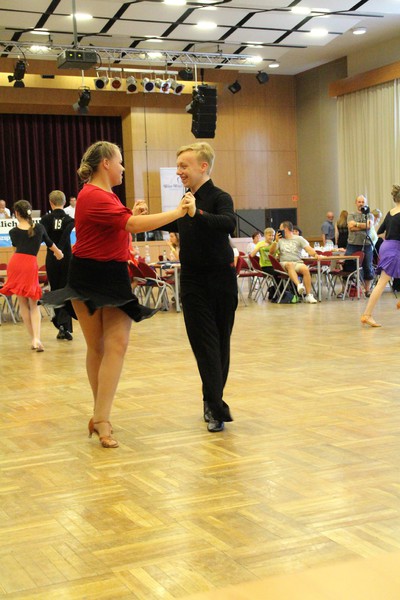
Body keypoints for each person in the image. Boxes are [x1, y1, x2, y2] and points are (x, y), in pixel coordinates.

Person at [41, 141, 188, 448]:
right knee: (98, 347)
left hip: (112, 274)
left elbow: (118, 227)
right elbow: (130, 225)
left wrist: (130, 214)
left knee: (116, 345)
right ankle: (102, 418)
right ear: (106, 163)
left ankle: (100, 416)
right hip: (88, 275)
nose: (123, 167)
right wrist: (176, 212)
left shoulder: (106, 195)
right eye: (120, 161)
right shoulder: (92, 194)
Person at [161, 142, 237, 433]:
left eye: (184, 166)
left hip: (221, 280)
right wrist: (140, 217)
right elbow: (174, 225)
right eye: (178, 166)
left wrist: (198, 214)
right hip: (192, 281)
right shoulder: (185, 200)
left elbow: (228, 223)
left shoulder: (220, 197)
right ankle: (216, 407)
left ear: (203, 166)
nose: (178, 171)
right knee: (203, 345)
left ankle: (211, 401)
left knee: (220, 344)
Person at [1, 199, 63, 351]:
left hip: (15, 264)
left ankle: (33, 339)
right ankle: (37, 338)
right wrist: (59, 253)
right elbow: (49, 243)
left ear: (16, 213)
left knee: (23, 303)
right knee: (33, 304)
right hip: (30, 264)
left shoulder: (13, 231)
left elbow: (16, 250)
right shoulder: (39, 228)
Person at [361, 186, 400, 327]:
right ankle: (367, 314)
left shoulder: (390, 213)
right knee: (382, 282)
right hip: (394, 248)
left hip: (387, 246)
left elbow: (380, 231)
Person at [40, 190, 75, 340]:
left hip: (52, 258)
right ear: (65, 202)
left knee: (55, 290)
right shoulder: (69, 219)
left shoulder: (45, 219)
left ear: (50, 203)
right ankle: (64, 325)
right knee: (66, 290)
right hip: (66, 258)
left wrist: (55, 250)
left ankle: (60, 324)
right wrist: (60, 249)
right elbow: (66, 236)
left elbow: (43, 237)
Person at [269, 221, 320, 303]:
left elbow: (308, 249)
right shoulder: (279, 240)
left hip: (297, 262)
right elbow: (271, 252)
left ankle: (308, 295)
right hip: (284, 263)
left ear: (285, 229)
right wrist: (276, 241)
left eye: (280, 229)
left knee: (305, 269)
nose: (279, 231)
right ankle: (299, 285)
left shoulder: (299, 239)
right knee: (289, 265)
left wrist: (315, 254)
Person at [346, 195, 374, 296]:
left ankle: (367, 290)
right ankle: (346, 289)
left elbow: (369, 226)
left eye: (363, 202)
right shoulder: (351, 215)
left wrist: (356, 224)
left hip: (366, 244)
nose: (361, 204)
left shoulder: (370, 215)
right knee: (347, 266)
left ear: (365, 203)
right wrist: (363, 226)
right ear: (356, 203)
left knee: (368, 266)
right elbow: (351, 227)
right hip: (352, 244)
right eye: (359, 202)